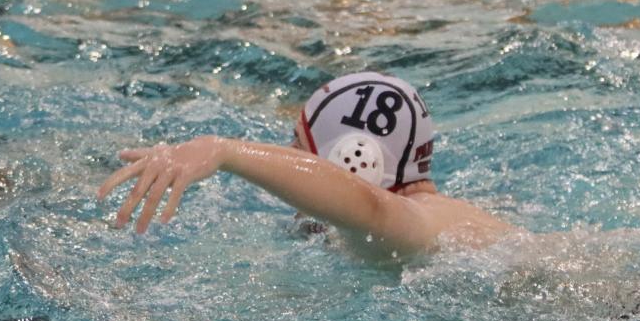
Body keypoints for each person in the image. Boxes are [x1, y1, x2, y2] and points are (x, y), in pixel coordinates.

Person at [97, 70, 516, 261]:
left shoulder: (413, 224)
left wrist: (225, 151)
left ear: (352, 161)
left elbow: (369, 207)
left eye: (297, 147)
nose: (287, 155)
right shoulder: (443, 222)